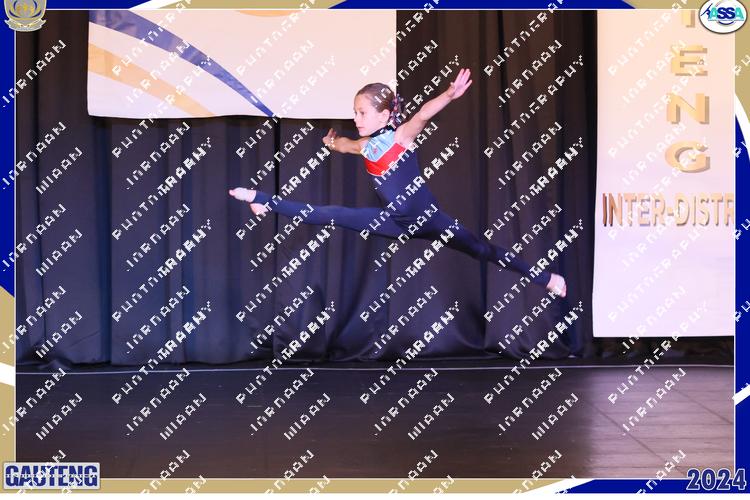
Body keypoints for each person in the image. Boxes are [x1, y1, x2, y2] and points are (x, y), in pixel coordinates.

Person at [229, 68, 566, 297]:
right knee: (330, 213)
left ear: (385, 115)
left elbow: (422, 114)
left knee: (482, 250)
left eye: (362, 113)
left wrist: (449, 95)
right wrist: (332, 143)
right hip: (394, 222)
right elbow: (346, 145)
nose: (356, 118)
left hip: (431, 220)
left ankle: (547, 278)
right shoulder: (365, 145)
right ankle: (262, 199)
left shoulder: (401, 137)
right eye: (355, 112)